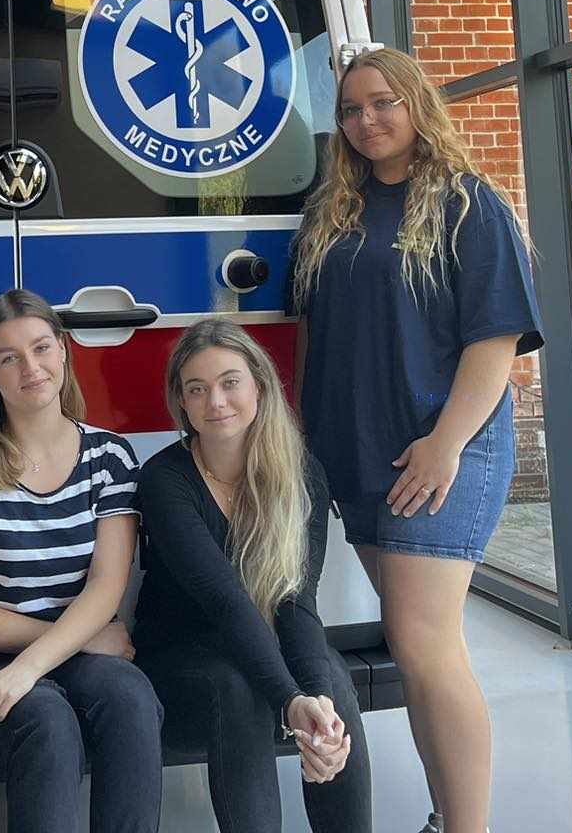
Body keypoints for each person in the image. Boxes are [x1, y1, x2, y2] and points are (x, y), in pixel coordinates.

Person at [294, 47, 543, 833]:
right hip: (360, 451)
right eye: (350, 109)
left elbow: (495, 342)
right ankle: (447, 817)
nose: (366, 120)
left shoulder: (468, 203)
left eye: (382, 102)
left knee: (424, 644)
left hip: (442, 447)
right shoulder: (336, 209)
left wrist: (444, 444)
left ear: (416, 103)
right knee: (416, 649)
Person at [0, 289, 161, 833]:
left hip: (71, 647)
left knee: (130, 698)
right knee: (47, 718)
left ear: (63, 351)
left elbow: (106, 587)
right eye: (9, 357)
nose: (31, 368)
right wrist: (58, 652)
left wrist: (36, 663)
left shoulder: (109, 457)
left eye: (41, 348)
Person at [132, 318, 370, 833]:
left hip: (262, 645)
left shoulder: (301, 473)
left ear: (259, 386)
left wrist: (315, 702)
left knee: (332, 684)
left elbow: (296, 600)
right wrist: (289, 699)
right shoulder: (165, 480)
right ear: (182, 403)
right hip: (180, 661)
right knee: (234, 684)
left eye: (229, 382)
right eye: (197, 389)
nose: (216, 401)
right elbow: (224, 602)